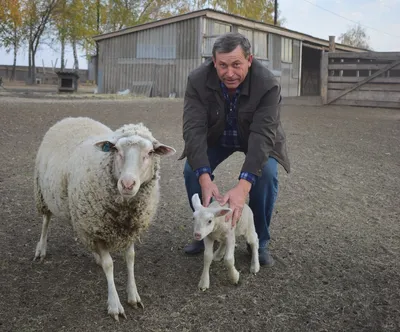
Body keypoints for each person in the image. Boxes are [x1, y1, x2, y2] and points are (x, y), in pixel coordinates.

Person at [178, 32, 290, 266]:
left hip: (255, 138)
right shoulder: (197, 80)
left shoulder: (268, 84)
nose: (229, 73)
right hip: (217, 136)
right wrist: (204, 177)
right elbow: (193, 130)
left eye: (237, 64)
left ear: (250, 60)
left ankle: (259, 240)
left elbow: (263, 135)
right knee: (192, 170)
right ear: (213, 61)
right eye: (223, 65)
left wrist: (242, 187)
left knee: (266, 175)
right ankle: (204, 230)